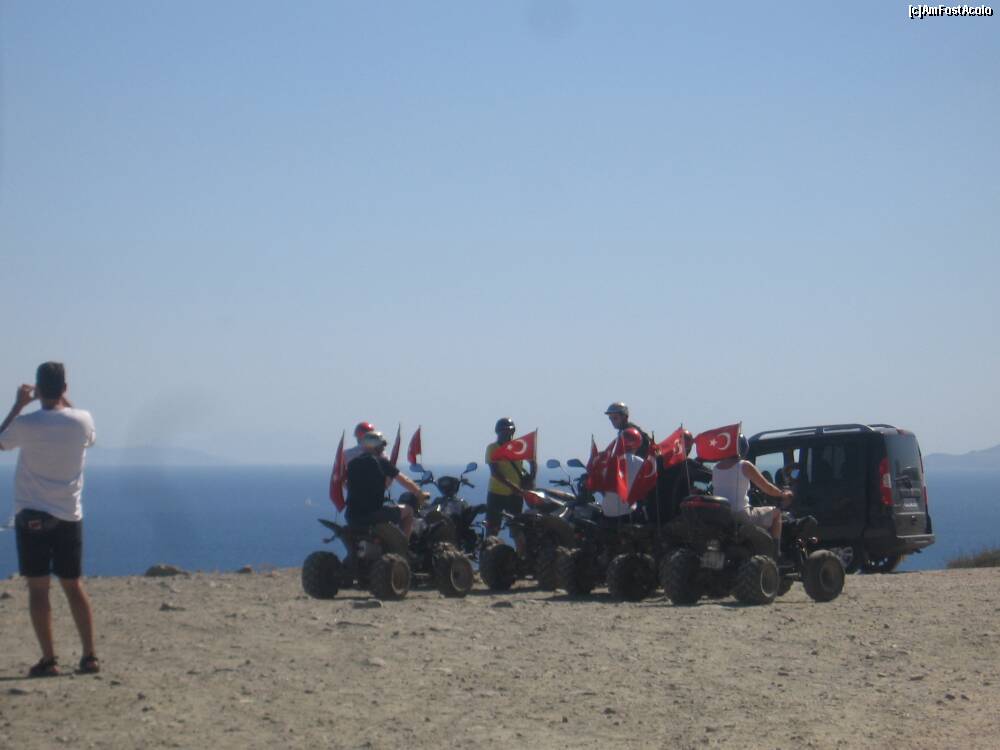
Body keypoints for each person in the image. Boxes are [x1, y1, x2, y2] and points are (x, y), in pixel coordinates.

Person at [0, 363, 99, 677]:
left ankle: (49, 660)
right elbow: (88, 436)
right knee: (73, 585)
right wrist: (63, 401)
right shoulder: (82, 420)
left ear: (38, 389)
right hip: (69, 515)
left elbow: (0, 441)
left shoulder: (26, 424)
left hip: (32, 515)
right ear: (65, 388)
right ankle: (89, 656)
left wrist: (18, 404)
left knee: (39, 589)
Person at [711, 435, 793, 556]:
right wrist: (783, 494)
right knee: (777, 514)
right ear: (744, 448)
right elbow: (767, 487)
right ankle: (776, 554)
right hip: (741, 514)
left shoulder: (716, 467)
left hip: (722, 515)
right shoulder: (745, 465)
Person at [345, 431, 427, 538]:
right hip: (372, 515)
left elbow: (347, 485)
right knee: (409, 510)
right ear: (375, 446)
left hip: (352, 516)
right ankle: (403, 544)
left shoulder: (352, 463)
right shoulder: (381, 462)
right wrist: (420, 493)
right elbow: (404, 480)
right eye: (382, 446)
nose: (383, 449)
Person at [484, 418, 537, 542]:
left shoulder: (518, 446)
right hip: (496, 493)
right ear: (498, 431)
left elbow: (533, 462)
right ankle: (489, 551)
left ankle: (521, 553)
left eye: (509, 430)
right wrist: (515, 487)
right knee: (492, 529)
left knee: (517, 528)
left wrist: (531, 478)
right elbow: (495, 473)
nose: (506, 433)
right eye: (503, 430)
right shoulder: (493, 448)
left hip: (515, 495)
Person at [650, 430, 712, 525]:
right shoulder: (688, 464)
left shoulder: (657, 461)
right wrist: (701, 460)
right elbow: (711, 476)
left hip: (653, 515)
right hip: (675, 517)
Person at [598, 427, 648, 522]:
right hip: (627, 514)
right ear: (638, 444)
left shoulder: (608, 462)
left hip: (607, 513)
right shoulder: (641, 463)